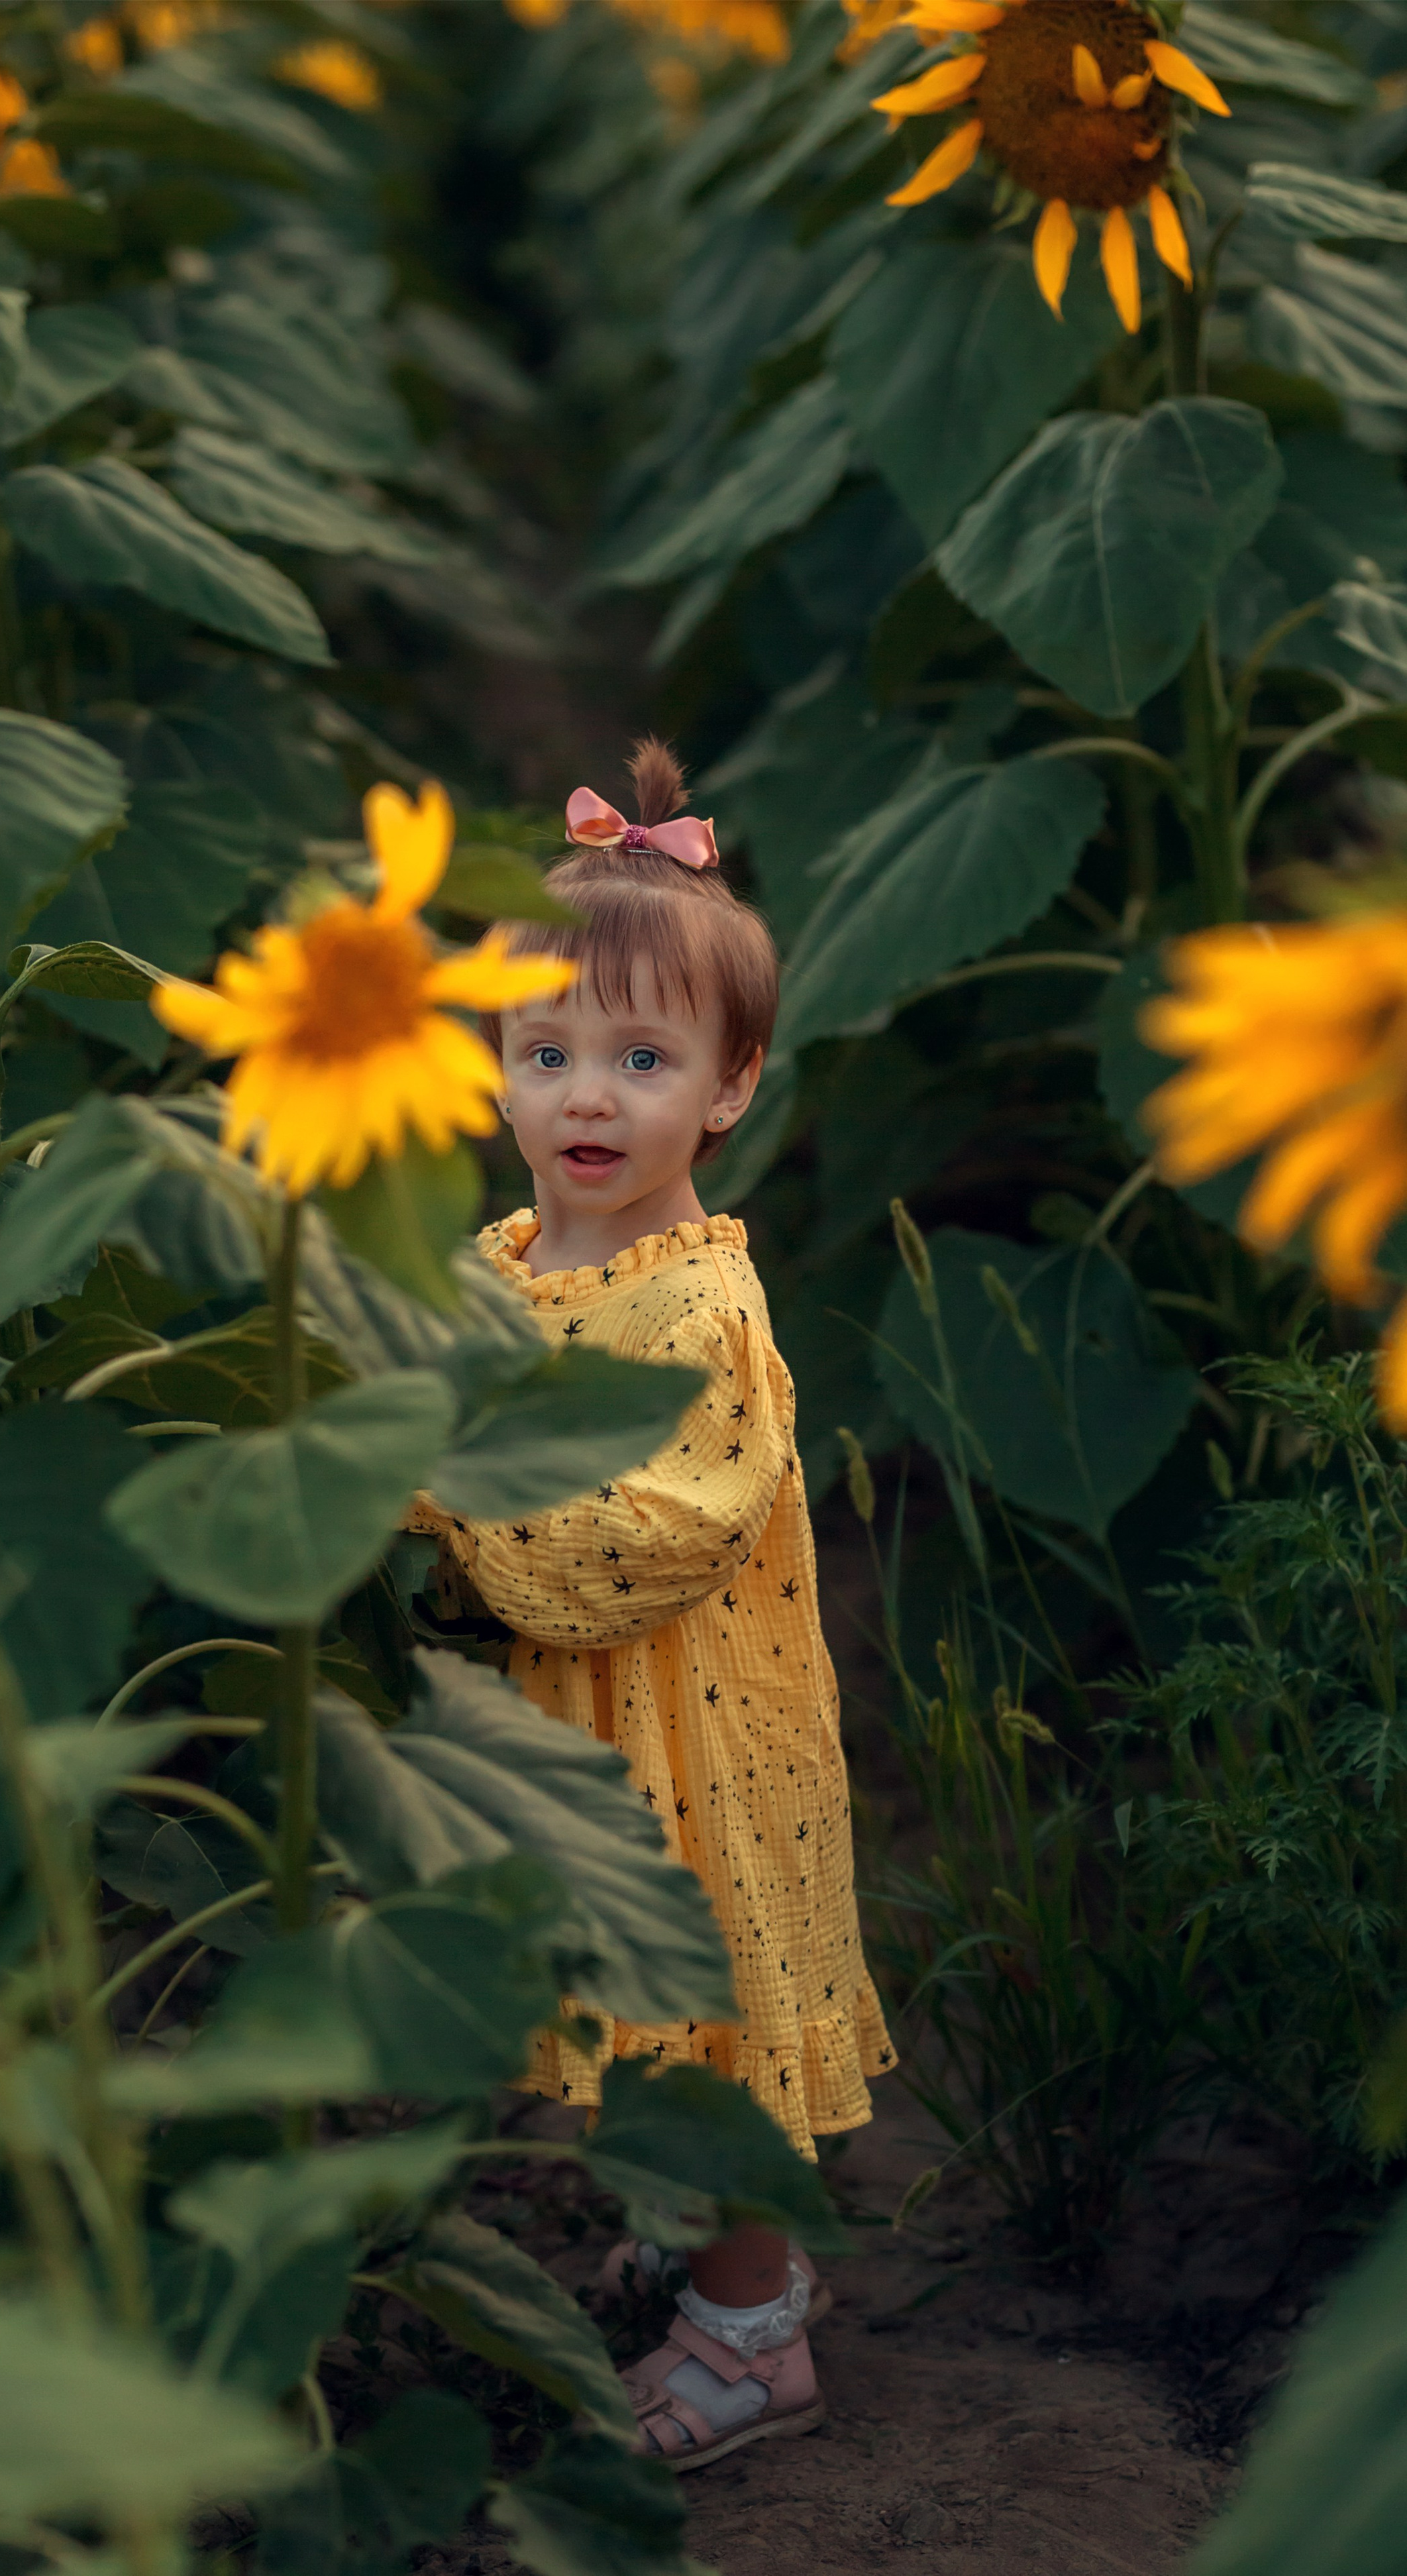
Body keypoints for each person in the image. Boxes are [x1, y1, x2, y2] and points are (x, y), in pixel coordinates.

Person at [409, 739, 895, 2471]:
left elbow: (634, 1547)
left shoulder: (703, 1319)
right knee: (631, 2039)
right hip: (577, 1759)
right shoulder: (501, 1266)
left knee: (704, 2049)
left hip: (693, 1750)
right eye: (547, 1056)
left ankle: (756, 2331)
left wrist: (433, 1478)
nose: (587, 1099)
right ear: (499, 1074)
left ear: (731, 1089)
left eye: (641, 1057)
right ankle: (708, 2244)